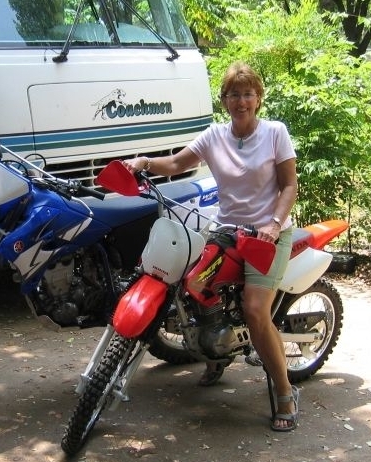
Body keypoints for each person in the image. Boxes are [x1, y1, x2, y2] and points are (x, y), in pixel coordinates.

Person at [122, 62, 300, 432]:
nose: (241, 101)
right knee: (194, 284)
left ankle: (285, 390)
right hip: (228, 231)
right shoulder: (214, 135)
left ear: (258, 98)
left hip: (268, 235)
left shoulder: (275, 133)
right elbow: (176, 163)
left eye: (248, 94)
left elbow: (289, 186)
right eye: (234, 94)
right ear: (224, 100)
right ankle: (219, 352)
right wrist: (143, 162)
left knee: (255, 310)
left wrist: (273, 224)